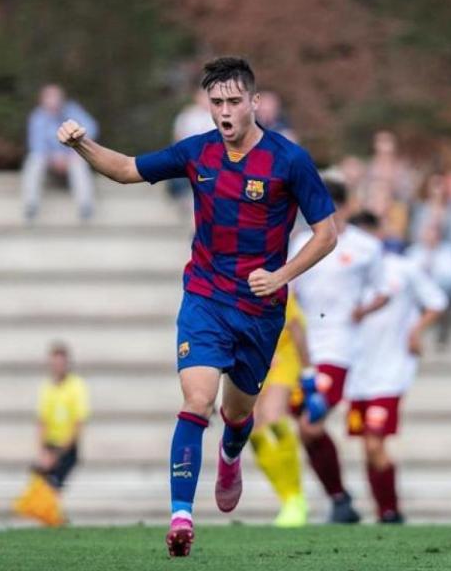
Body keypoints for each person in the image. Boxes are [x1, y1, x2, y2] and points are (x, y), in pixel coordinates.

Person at [55, 57, 337, 557]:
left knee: (237, 412)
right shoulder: (197, 152)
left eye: (233, 101)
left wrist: (282, 275)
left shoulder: (288, 160)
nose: (224, 112)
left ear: (254, 102)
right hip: (205, 297)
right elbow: (124, 170)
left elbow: (327, 234)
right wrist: (81, 144)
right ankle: (182, 516)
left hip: (261, 307)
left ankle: (232, 452)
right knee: (196, 402)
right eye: (216, 103)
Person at [289, 178, 389, 525]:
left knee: (310, 425)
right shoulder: (301, 242)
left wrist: (364, 310)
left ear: (346, 207)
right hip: (303, 349)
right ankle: (340, 500)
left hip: (339, 347)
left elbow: (383, 290)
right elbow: (288, 291)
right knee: (304, 427)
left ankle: (340, 498)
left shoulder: (365, 247)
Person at [344, 212, 447, 523]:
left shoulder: (402, 269)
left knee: (375, 442)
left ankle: (391, 511)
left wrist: (414, 331)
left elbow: (437, 302)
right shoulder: (348, 270)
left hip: (389, 372)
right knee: (367, 447)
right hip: (357, 374)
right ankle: (383, 510)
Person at [250, 296, 313, 528]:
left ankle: (296, 496)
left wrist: (308, 372)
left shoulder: (268, 278)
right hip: (254, 356)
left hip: (283, 354)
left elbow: (295, 325)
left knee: (274, 417)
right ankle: (287, 497)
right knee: (250, 427)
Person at [14, 340, 90, 526]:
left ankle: (54, 518)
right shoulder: (46, 388)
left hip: (66, 447)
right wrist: (42, 451)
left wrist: (58, 454)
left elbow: (78, 424)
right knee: (45, 482)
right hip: (50, 446)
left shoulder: (76, 386)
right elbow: (42, 422)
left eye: (61, 363)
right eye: (54, 363)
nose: (58, 367)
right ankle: (54, 519)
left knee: (52, 484)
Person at [22, 84, 100, 222]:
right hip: (49, 162)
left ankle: (85, 206)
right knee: (34, 160)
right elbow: (36, 145)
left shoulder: (73, 111)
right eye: (49, 97)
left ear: (62, 98)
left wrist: (77, 151)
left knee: (79, 163)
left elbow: (91, 128)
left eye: (55, 97)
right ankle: (31, 205)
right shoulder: (37, 117)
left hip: (72, 158)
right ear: (42, 100)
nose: (53, 100)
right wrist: (54, 158)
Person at [406, 218, 451, 350]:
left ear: (438, 235)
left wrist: (433, 284)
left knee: (443, 299)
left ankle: (441, 335)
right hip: (418, 293)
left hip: (442, 291)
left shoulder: (450, 251)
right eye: (426, 231)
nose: (428, 235)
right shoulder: (413, 252)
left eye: (431, 232)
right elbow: (408, 277)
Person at [359, 131, 414, 247]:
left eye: (387, 142)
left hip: (394, 211)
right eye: (381, 142)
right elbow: (363, 192)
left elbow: (407, 194)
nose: (384, 147)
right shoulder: (369, 167)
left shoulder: (401, 168)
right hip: (372, 210)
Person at [167, 87, 216, 203]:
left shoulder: (219, 116)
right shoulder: (187, 116)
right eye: (203, 96)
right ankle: (180, 198)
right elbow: (178, 136)